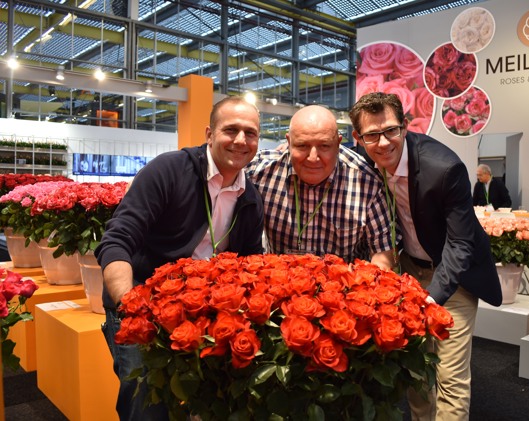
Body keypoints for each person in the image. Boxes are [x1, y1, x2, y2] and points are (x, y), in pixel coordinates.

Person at [95, 96, 265, 421]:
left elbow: (250, 264)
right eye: (231, 130)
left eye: (251, 133)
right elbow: (116, 240)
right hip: (141, 302)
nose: (241, 140)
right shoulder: (168, 170)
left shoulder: (251, 198)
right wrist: (131, 306)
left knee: (211, 399)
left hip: (204, 311)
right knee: (146, 400)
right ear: (209, 134)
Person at [349, 92, 502, 421]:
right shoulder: (363, 162)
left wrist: (431, 298)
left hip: (454, 276)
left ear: (405, 126)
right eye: (372, 135)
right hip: (408, 273)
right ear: (358, 138)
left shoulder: (444, 168)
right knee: (416, 370)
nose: (383, 142)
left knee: (450, 376)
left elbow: (461, 242)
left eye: (391, 130)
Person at [246, 104, 395, 270]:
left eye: (324, 146)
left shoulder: (367, 183)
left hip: (344, 282)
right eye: (302, 146)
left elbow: (383, 252)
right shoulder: (259, 172)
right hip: (280, 281)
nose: (313, 158)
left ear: (338, 144)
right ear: (289, 142)